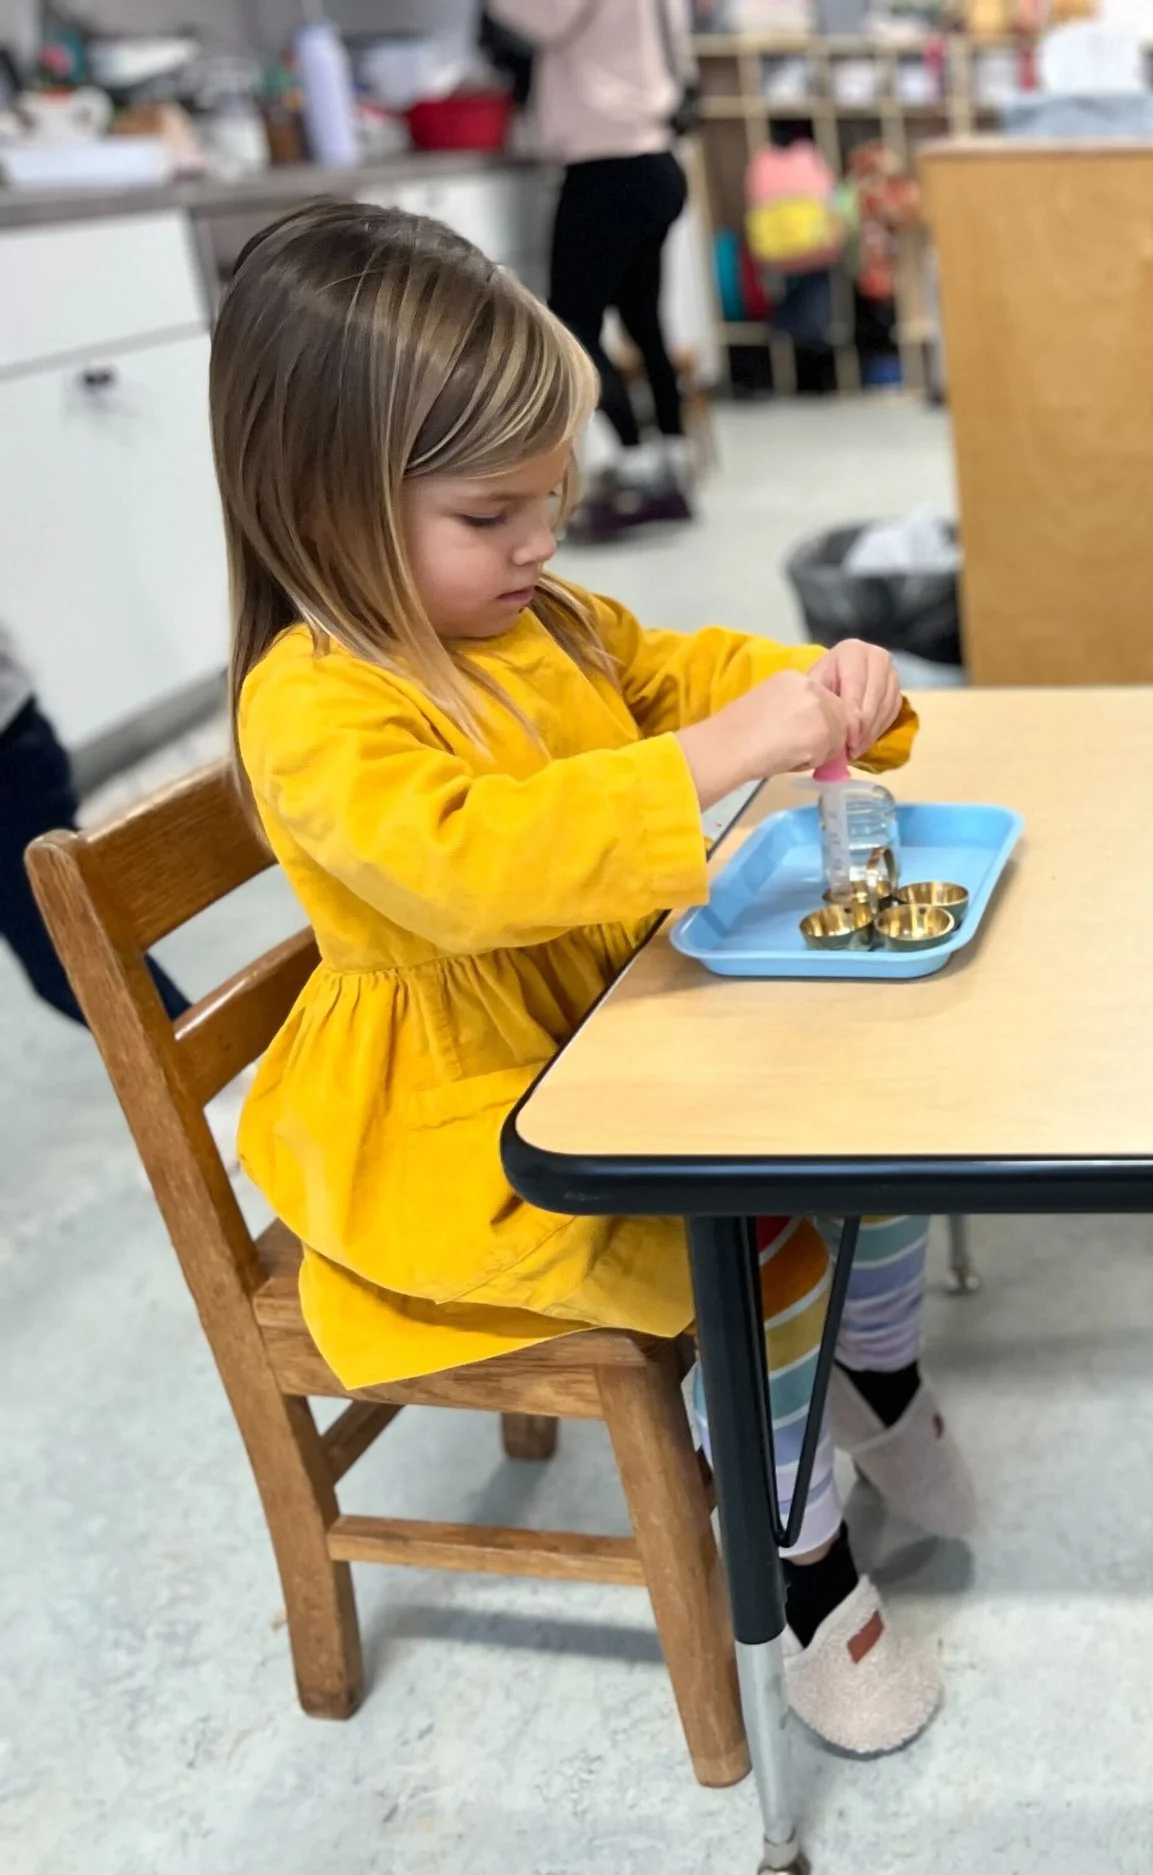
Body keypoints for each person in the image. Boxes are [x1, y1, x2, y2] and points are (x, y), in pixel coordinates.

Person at [211, 200, 973, 1755]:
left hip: (609, 1025)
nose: (540, 543)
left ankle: (879, 1374)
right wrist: (714, 756)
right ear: (323, 503)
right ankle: (800, 1554)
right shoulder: (315, 704)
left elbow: (671, 666)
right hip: (466, 1118)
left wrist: (812, 682)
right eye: (492, 512)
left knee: (888, 1121)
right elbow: (474, 861)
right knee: (757, 1238)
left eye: (550, 497)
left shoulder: (539, 613)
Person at [489, 0, 699, 540]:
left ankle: (636, 469)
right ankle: (673, 460)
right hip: (657, 161)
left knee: (571, 329)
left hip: (606, 170)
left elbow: (538, 19)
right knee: (643, 322)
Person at [0, 627, 185, 1026]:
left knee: (73, 961)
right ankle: (189, 1052)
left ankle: (193, 1056)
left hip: (9, 759)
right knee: (71, 961)